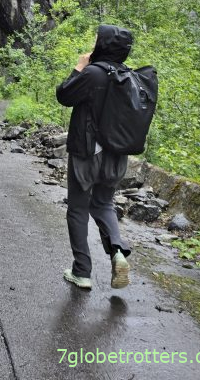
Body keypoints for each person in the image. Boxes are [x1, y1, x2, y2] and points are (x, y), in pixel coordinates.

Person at [56, 24, 133, 291]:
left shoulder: (93, 73)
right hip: (117, 155)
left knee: (78, 208)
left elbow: (64, 95)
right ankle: (118, 253)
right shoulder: (128, 76)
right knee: (103, 204)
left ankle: (82, 271)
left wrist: (79, 66)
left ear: (103, 45)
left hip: (87, 153)